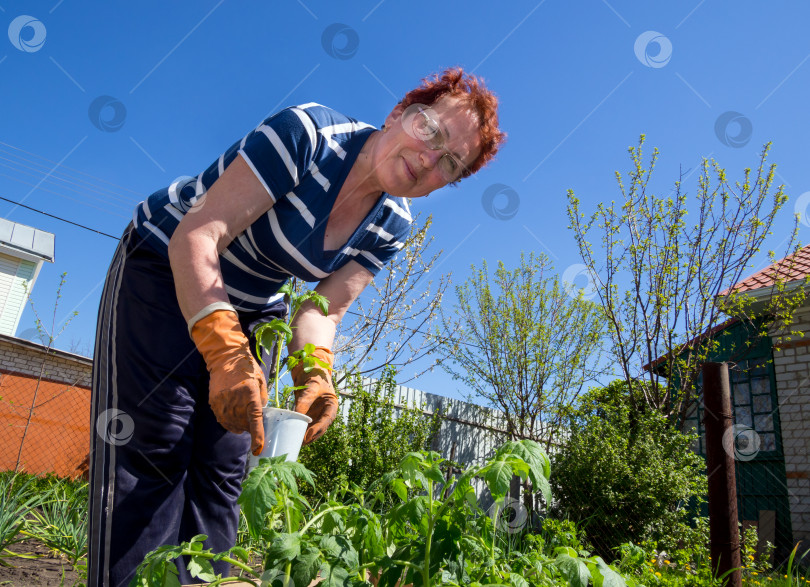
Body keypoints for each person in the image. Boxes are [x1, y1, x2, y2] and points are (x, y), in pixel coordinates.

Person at [87, 67, 505, 586]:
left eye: (450, 163)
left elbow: (323, 309)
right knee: (153, 451)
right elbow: (198, 236)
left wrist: (316, 372)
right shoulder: (309, 137)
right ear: (399, 114)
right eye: (431, 132)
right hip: (165, 268)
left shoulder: (392, 223)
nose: (429, 159)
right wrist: (223, 351)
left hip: (257, 307)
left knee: (224, 469)